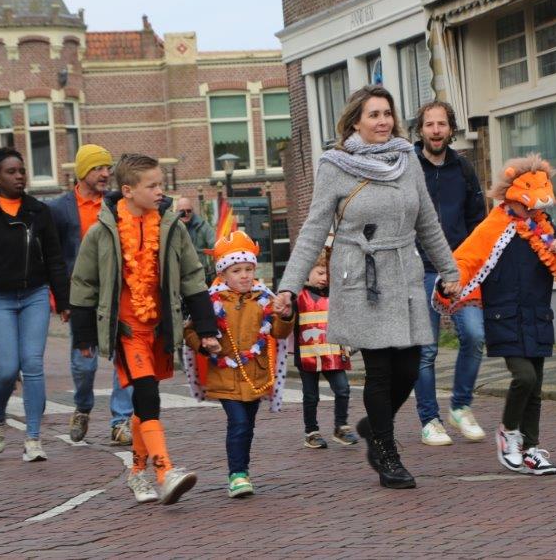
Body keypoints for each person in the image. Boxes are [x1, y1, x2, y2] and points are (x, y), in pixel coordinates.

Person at [275, 84, 462, 490]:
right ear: (355, 121)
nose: (382, 121)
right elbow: (313, 230)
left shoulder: (406, 160)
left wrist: (450, 272)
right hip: (362, 275)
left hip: (405, 274)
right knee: (379, 371)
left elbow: (427, 222)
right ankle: (386, 453)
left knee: (410, 369)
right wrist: (290, 286)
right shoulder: (335, 165)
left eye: (387, 114)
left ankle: (373, 424)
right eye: (374, 115)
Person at [434, 154, 556, 476]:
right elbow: (466, 258)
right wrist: (448, 284)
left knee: (535, 388)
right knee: (525, 378)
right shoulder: (495, 226)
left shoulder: (546, 228)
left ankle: (531, 448)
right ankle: (508, 433)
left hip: (537, 317)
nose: (534, 209)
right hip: (503, 318)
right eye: (528, 202)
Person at [70, 153, 215, 505]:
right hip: (127, 329)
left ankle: (137, 473)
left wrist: (207, 327)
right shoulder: (102, 231)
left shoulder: (171, 226)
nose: (160, 192)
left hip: (160, 327)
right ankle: (166, 471)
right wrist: (85, 335)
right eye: (152, 186)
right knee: (147, 393)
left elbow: (193, 276)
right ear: (128, 191)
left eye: (161, 184)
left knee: (144, 401)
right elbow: (83, 283)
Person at [0, 149, 70, 461]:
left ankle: (33, 438)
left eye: (21, 170)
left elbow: (54, 258)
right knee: (7, 369)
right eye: (11, 171)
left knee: (33, 366)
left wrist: (63, 300)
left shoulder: (39, 211)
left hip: (35, 295)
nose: (19, 176)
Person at [184, 230, 293, 498]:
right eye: (236, 270)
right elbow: (189, 331)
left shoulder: (265, 299)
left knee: (248, 425)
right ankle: (237, 475)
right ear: (223, 275)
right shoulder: (210, 302)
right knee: (239, 423)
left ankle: (242, 469)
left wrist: (286, 316)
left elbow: (278, 333)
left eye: (248, 269)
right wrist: (204, 343)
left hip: (255, 374)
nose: (244, 275)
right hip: (224, 374)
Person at [411, 101, 488, 447]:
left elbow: (477, 221)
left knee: (473, 335)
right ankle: (430, 420)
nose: (436, 130)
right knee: (425, 350)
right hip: (422, 268)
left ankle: (460, 405)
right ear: (421, 129)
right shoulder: (407, 167)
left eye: (442, 124)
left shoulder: (464, 169)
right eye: (430, 124)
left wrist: (476, 262)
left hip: (462, 268)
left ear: (450, 129)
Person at [47, 144, 134, 446]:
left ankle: (120, 420)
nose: (105, 174)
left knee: (125, 355)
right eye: (98, 168)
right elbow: (53, 257)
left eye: (108, 168)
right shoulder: (59, 209)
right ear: (83, 172)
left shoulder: (117, 203)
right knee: (84, 364)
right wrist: (59, 298)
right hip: (81, 297)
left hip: (119, 292)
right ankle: (83, 406)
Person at [291, 250, 356, 450]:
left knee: (343, 389)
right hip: (307, 356)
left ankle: (341, 427)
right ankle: (311, 431)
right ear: (307, 272)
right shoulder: (297, 297)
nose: (325, 278)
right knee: (311, 395)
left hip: (332, 354)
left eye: (328, 273)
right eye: (320, 273)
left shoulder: (336, 295)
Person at [175, 197, 215, 284]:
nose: (186, 213)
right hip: (178, 274)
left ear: (193, 211)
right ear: (176, 212)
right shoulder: (171, 227)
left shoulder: (203, 226)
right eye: (182, 211)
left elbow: (215, 245)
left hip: (200, 273)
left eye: (189, 211)